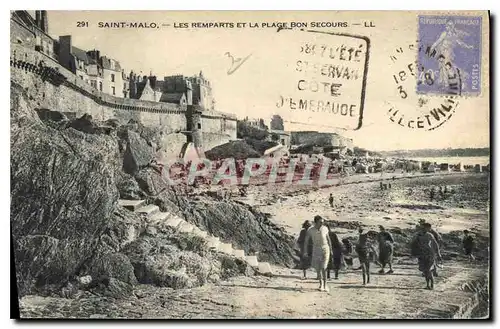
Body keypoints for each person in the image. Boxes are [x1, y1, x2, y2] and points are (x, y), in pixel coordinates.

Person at [303, 215, 332, 292]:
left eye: (322, 222)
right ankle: (321, 284)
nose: (322, 224)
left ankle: (326, 285)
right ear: (316, 222)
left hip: (325, 248)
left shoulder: (325, 228)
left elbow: (328, 240)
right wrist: (305, 251)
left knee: (324, 267)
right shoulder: (310, 230)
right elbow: (306, 241)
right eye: (320, 222)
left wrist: (331, 250)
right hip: (316, 249)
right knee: (318, 268)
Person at [411, 223, 442, 290]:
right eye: (428, 228)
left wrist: (438, 254)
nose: (429, 229)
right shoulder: (418, 235)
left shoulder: (430, 235)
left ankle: (432, 285)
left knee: (428, 270)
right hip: (422, 254)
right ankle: (428, 285)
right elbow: (413, 244)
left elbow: (435, 245)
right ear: (425, 227)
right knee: (425, 271)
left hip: (430, 254)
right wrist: (414, 253)